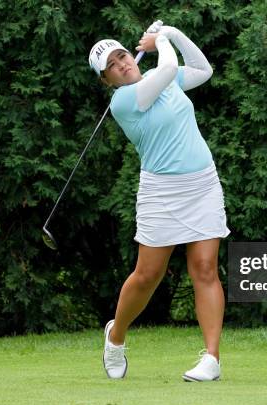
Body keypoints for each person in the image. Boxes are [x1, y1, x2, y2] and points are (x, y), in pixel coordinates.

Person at [88, 23, 230, 382]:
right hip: (161, 193)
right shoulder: (124, 101)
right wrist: (162, 41)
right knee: (148, 276)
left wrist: (175, 34)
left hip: (202, 185)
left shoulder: (163, 79)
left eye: (122, 55)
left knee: (205, 268)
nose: (121, 64)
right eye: (112, 67)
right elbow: (167, 68)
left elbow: (203, 70)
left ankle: (211, 359)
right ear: (108, 81)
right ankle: (116, 336)